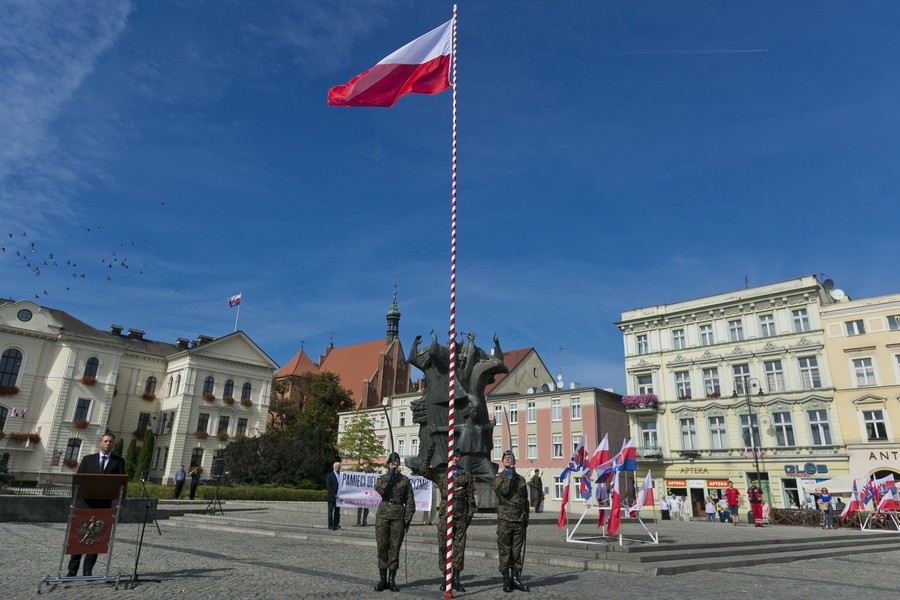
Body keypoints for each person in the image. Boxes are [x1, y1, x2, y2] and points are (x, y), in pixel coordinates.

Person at [67, 432, 125, 577]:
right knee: (78, 538)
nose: (108, 444)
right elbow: (79, 481)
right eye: (105, 441)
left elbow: (121, 483)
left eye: (111, 442)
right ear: (100, 443)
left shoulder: (118, 462)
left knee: (96, 538)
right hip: (84, 504)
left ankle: (88, 570)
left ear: (113, 444)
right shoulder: (88, 460)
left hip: (103, 505)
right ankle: (72, 570)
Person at [419, 447, 476, 591]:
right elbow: (424, 472)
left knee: (459, 547)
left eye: (458, 456)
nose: (456, 458)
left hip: (461, 514)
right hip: (446, 513)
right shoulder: (442, 472)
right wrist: (428, 456)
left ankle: (456, 578)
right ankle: (446, 577)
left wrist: (470, 514)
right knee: (444, 545)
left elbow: (470, 496)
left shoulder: (465, 474)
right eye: (453, 456)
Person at [374, 452, 415, 592]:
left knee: (395, 547)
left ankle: (392, 580)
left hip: (398, 516)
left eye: (396, 461)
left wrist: (408, 518)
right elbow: (380, 490)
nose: (395, 463)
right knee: (382, 547)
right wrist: (389, 476)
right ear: (388, 464)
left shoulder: (404, 480)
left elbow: (410, 501)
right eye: (392, 462)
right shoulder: (383, 478)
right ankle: (382, 580)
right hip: (383, 515)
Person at [493, 449, 529, 593]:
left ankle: (516, 578)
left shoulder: (521, 479)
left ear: (514, 461)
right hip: (505, 519)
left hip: (518, 518)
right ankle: (506, 579)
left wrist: (526, 517)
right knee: (505, 550)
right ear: (503, 461)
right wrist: (511, 474)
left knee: (516, 551)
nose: (508, 459)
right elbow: (505, 491)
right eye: (506, 457)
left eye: (510, 457)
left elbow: (524, 500)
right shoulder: (499, 478)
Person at [326, 461, 342, 531]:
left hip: (339, 497)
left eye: (338, 467)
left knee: (337, 512)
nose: (337, 468)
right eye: (336, 466)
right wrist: (334, 494)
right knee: (330, 512)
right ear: (333, 467)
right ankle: (330, 525)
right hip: (331, 497)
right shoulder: (330, 475)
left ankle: (336, 525)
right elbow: (328, 486)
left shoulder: (341, 475)